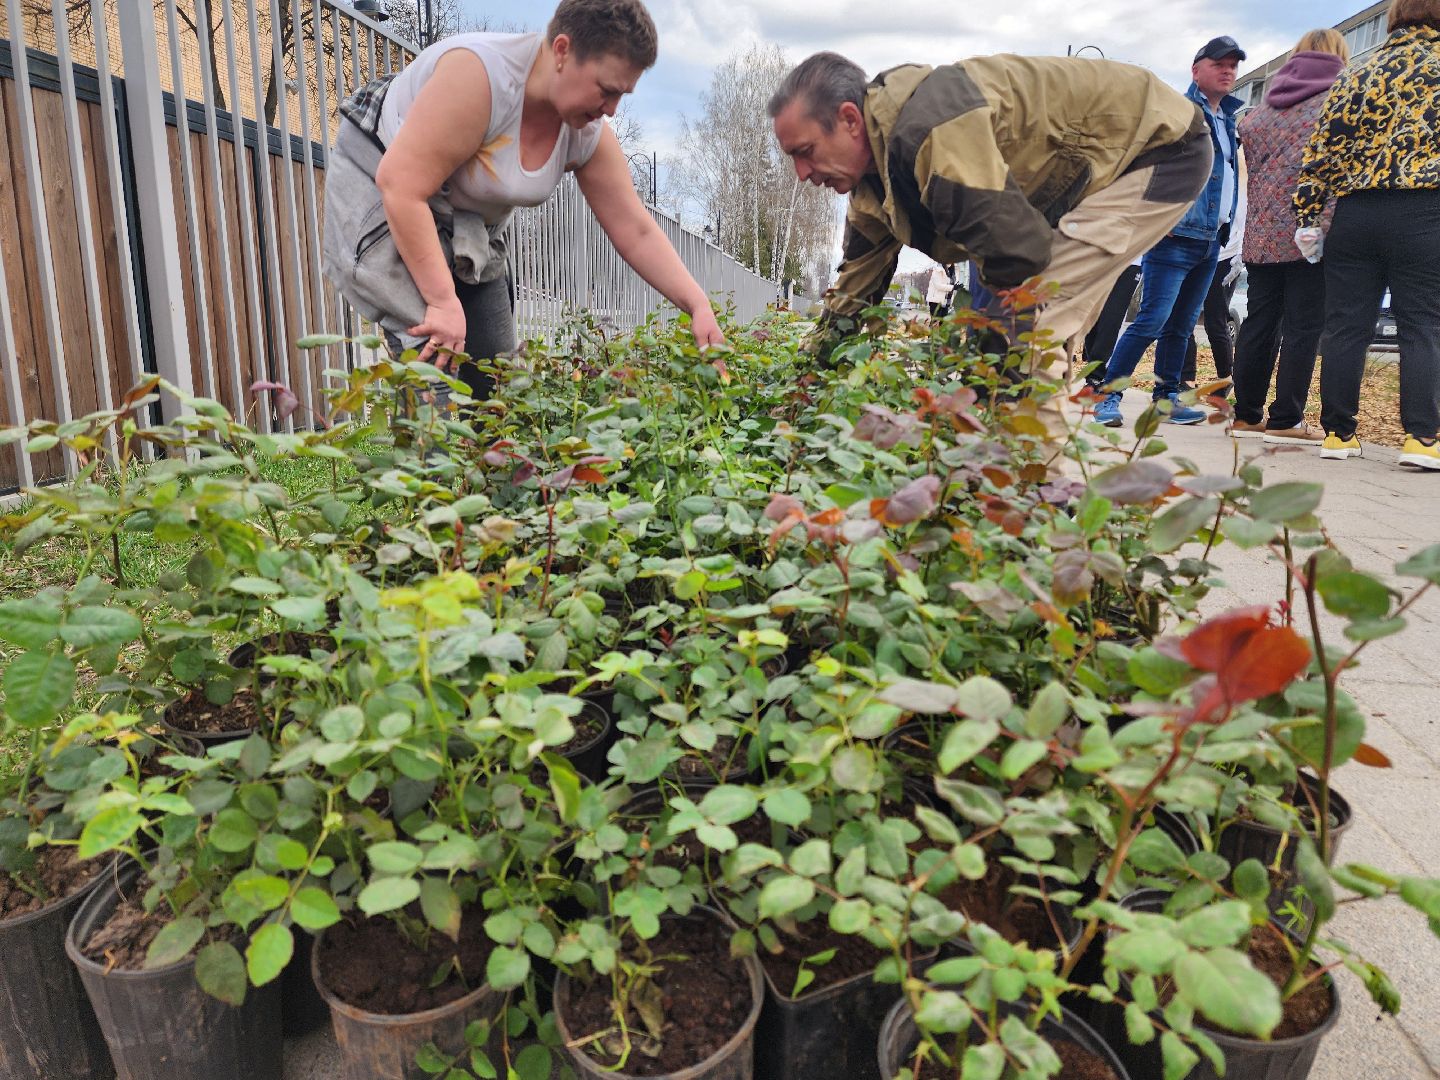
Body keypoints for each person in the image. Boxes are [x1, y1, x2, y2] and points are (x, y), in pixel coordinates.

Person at [767, 51, 1212, 463]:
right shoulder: (870, 186)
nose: (801, 174)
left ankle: (1032, 510)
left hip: (1157, 148)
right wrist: (802, 383)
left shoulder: (930, 133)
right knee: (1017, 339)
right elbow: (851, 297)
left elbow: (1018, 261)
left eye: (804, 153)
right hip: (1077, 184)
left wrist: (986, 399)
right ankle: (1023, 485)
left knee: (1028, 329)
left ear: (849, 120)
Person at [322, 0, 722, 402]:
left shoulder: (586, 131)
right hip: (386, 188)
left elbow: (635, 229)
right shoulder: (481, 79)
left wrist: (697, 304)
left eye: (623, 95)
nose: (613, 111)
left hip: (466, 223)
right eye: (607, 90)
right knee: (434, 377)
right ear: (562, 50)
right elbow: (401, 186)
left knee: (499, 391)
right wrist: (443, 302)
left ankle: (494, 464)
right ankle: (427, 454)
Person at [1296, 0, 1440, 470]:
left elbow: (1321, 151)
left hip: (1355, 213)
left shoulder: (1355, 73)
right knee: (1423, 323)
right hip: (1424, 209)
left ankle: (1338, 433)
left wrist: (1309, 217)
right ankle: (1422, 438)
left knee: (1345, 324)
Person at [1093, 35, 1246, 428]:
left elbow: (1224, 176)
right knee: (1151, 321)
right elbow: (1147, 163)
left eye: (1233, 64)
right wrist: (1158, 219)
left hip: (1211, 241)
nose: (1228, 70)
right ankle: (1106, 397)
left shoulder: (1228, 118)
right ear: (1197, 70)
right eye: (1219, 64)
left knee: (1180, 327)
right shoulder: (1180, 112)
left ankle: (1166, 400)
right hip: (1174, 236)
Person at [1227, 30, 1350, 446]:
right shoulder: (1339, 102)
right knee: (1304, 326)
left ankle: (1245, 415)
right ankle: (1286, 418)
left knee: (1259, 324)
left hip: (1260, 235)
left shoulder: (1258, 115)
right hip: (1311, 231)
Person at [1182, 184, 1245, 391]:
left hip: (1227, 254)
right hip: (1197, 248)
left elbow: (1245, 216)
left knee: (1215, 319)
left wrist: (1240, 255)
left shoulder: (1238, 168)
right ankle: (1186, 378)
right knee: (1184, 318)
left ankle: (1225, 378)